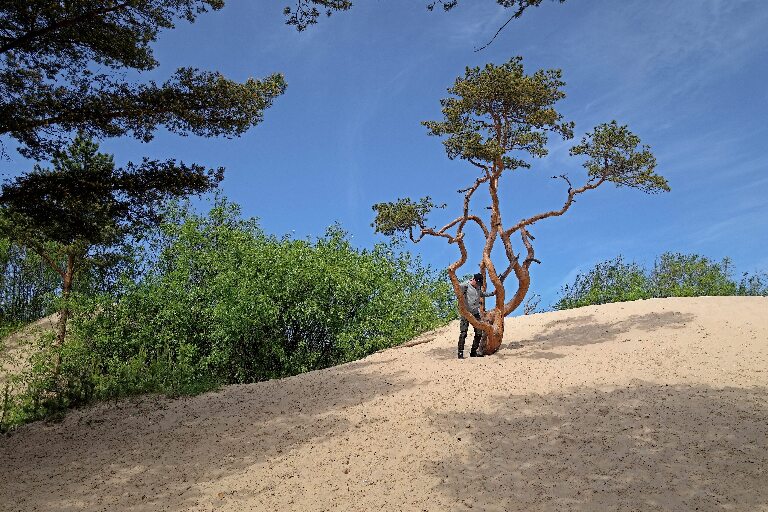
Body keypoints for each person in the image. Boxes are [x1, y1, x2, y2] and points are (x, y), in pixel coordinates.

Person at [457, 273, 494, 359]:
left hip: (475, 312)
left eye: (479, 284)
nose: (478, 285)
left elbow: (482, 294)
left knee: (478, 333)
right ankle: (460, 353)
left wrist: (492, 293)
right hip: (465, 313)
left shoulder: (478, 287)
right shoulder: (464, 285)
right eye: (477, 283)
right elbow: (457, 291)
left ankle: (473, 352)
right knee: (463, 333)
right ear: (473, 280)